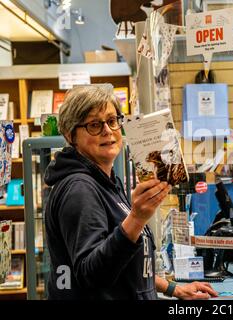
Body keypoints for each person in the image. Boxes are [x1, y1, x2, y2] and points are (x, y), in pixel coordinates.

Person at [44, 84, 218, 300]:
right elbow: (93, 275)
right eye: (94, 125)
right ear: (71, 136)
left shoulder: (107, 182)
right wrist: (136, 218)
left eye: (112, 120)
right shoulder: (80, 189)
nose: (107, 131)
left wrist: (173, 288)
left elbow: (124, 264)